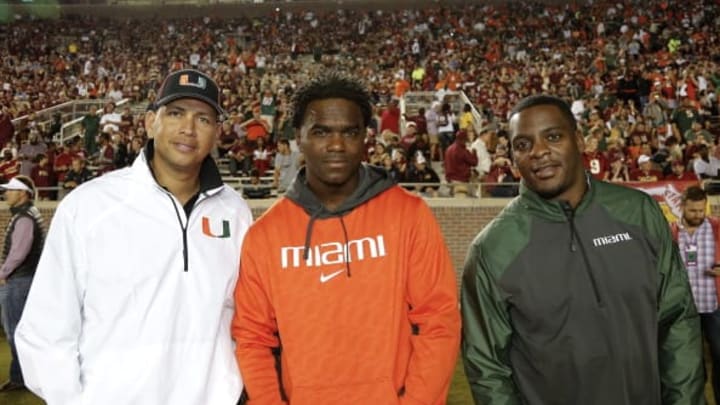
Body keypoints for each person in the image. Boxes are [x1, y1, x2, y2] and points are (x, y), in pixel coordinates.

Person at [14, 69, 253, 404]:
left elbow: (242, 318)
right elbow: (46, 328)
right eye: (175, 113)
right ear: (150, 122)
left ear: (216, 132)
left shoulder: (235, 212)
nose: (188, 128)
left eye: (203, 118)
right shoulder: (88, 206)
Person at [232, 72, 460, 405]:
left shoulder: (409, 214)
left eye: (349, 132)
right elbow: (252, 339)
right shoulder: (265, 235)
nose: (336, 145)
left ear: (366, 137)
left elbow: (438, 321)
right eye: (321, 131)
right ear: (299, 137)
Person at [461, 95, 705, 404]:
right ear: (512, 158)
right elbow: (487, 369)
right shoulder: (492, 250)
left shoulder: (638, 213)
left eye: (552, 136)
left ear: (578, 140)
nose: (538, 152)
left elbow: (677, 321)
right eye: (523, 145)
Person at [670, 186, 720, 403]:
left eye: (701, 210)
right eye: (693, 211)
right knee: (690, 362)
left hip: (714, 306)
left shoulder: (717, 228)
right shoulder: (670, 232)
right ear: (682, 207)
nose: (698, 215)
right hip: (684, 310)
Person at [0, 176, 44, 392]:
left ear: (23, 193)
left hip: (19, 281)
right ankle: (23, 377)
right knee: (23, 331)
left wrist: (3, 273)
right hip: (25, 280)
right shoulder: (27, 214)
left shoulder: (24, 218)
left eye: (11, 190)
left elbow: (18, 253)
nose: (6, 193)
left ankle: (22, 378)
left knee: (15, 331)